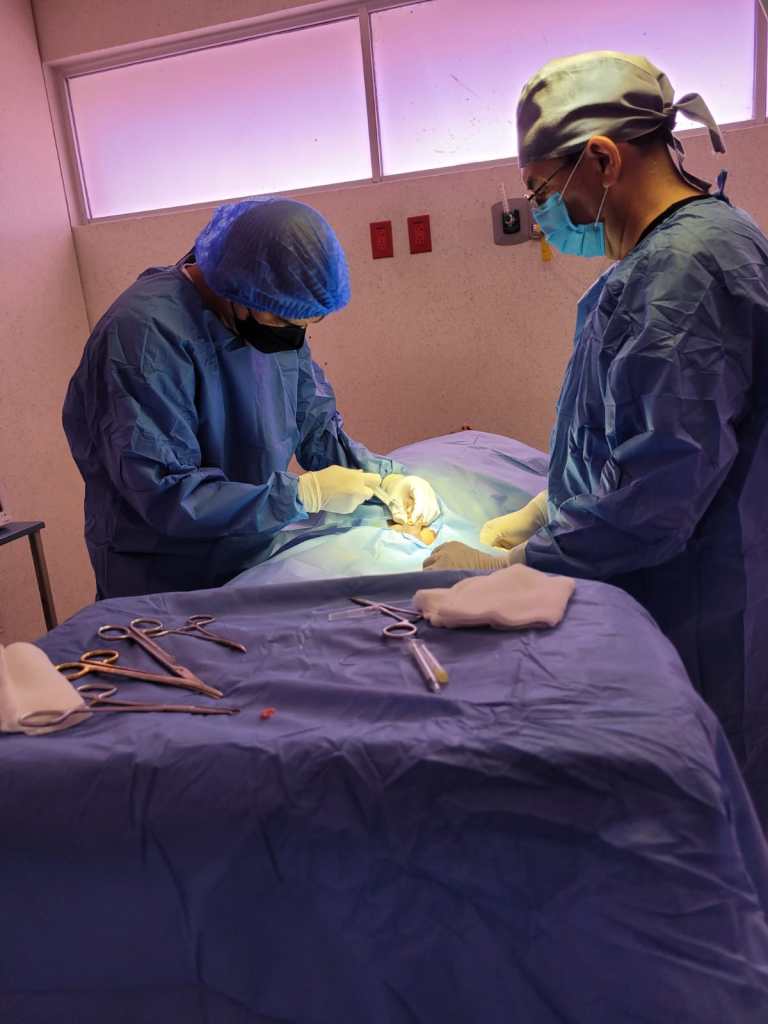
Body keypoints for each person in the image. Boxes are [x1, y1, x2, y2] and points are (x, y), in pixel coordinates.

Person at [424, 51, 768, 812]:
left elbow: (659, 494)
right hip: (673, 589)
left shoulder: (685, 269)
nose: (544, 211)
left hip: (695, 611)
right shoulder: (668, 257)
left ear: (604, 159)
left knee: (700, 818)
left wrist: (520, 561)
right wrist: (549, 505)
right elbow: (628, 437)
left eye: (543, 190)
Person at [64, 196, 439, 598]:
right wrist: (303, 494)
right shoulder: (143, 338)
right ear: (237, 290)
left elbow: (316, 429)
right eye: (279, 318)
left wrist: (387, 479)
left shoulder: (268, 317)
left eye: (305, 322)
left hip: (251, 556)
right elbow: (164, 492)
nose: (292, 334)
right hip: (164, 578)